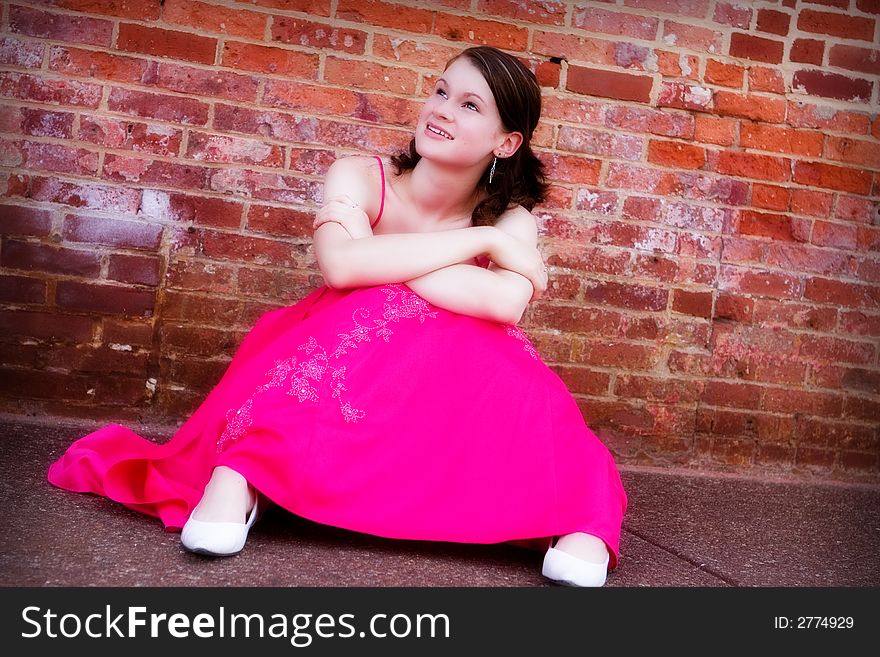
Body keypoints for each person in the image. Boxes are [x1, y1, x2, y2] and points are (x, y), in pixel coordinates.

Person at [47, 46, 627, 587]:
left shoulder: (512, 219)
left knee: (513, 372)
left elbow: (503, 304)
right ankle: (243, 477)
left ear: (505, 144)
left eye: (469, 105)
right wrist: (477, 245)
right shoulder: (361, 175)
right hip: (344, 358)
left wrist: (383, 257)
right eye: (441, 91)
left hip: (446, 390)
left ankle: (578, 516)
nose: (440, 111)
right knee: (376, 304)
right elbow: (342, 271)